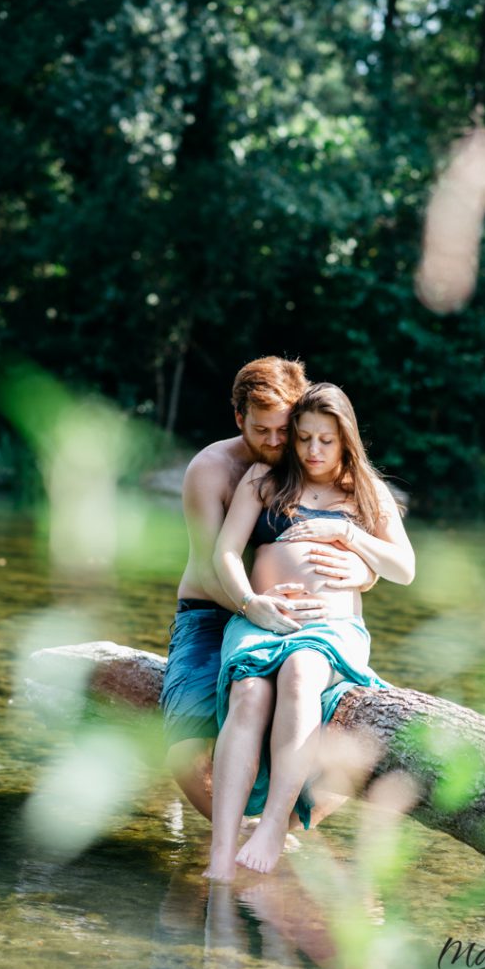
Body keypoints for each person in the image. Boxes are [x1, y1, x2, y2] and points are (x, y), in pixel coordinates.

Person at [205, 383, 415, 881]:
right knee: (251, 692)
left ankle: (274, 825)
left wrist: (348, 534)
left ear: (346, 439)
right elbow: (226, 553)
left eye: (325, 440)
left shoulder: (364, 490)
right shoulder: (264, 478)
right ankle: (220, 848)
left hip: (330, 627)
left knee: (301, 674)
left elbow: (404, 568)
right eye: (303, 439)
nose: (313, 451)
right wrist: (252, 603)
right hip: (262, 621)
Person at [161, 358, 377, 820]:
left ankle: (290, 834)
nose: (277, 442)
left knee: (349, 734)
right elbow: (207, 565)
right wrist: (251, 606)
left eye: (285, 429)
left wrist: (365, 573)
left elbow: (362, 536)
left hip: (300, 623)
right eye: (263, 430)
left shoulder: (316, 461)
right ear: (239, 418)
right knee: (183, 745)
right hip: (213, 611)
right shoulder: (212, 470)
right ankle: (234, 832)